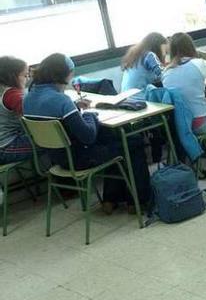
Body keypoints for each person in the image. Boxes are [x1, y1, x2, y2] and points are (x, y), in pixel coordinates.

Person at [22, 53, 152, 212]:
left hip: (58, 158)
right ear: (63, 75)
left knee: (112, 139)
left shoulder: (28, 98)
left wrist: (75, 107)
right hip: (80, 158)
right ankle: (137, 202)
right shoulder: (61, 100)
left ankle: (110, 200)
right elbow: (88, 136)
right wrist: (90, 115)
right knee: (133, 143)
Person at [0, 56, 32, 164]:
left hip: (5, 143)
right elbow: (34, 113)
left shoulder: (4, 90)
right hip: (6, 147)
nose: (28, 79)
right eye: (25, 75)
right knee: (56, 141)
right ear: (12, 76)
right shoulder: (12, 94)